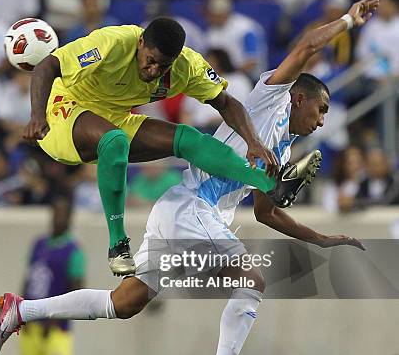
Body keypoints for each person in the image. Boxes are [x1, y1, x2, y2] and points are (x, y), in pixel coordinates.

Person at [0, 0, 378, 355]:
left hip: (182, 212)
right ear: (300, 97)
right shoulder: (271, 100)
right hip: (194, 209)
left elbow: (267, 213)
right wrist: (347, 20)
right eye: (321, 109)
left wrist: (322, 238)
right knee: (252, 278)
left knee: (125, 303)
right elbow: (306, 45)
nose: (322, 121)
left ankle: (21, 310)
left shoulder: (283, 148)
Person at [20, 17, 320, 276]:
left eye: (162, 66)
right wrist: (36, 116)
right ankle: (118, 245)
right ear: (140, 44)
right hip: (62, 112)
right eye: (149, 61)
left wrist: (253, 142)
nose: (152, 71)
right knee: (115, 140)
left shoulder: (187, 67)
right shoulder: (110, 43)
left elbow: (226, 103)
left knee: (189, 139)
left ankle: (271, 184)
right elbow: (47, 65)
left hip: (112, 118)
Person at [4, 196, 85, 355]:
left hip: (56, 325)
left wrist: (57, 318)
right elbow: (29, 279)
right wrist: (19, 311)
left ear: (69, 219)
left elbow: (76, 288)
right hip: (31, 322)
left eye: (63, 214)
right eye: (55, 212)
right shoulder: (39, 244)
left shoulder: (74, 251)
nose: (57, 218)